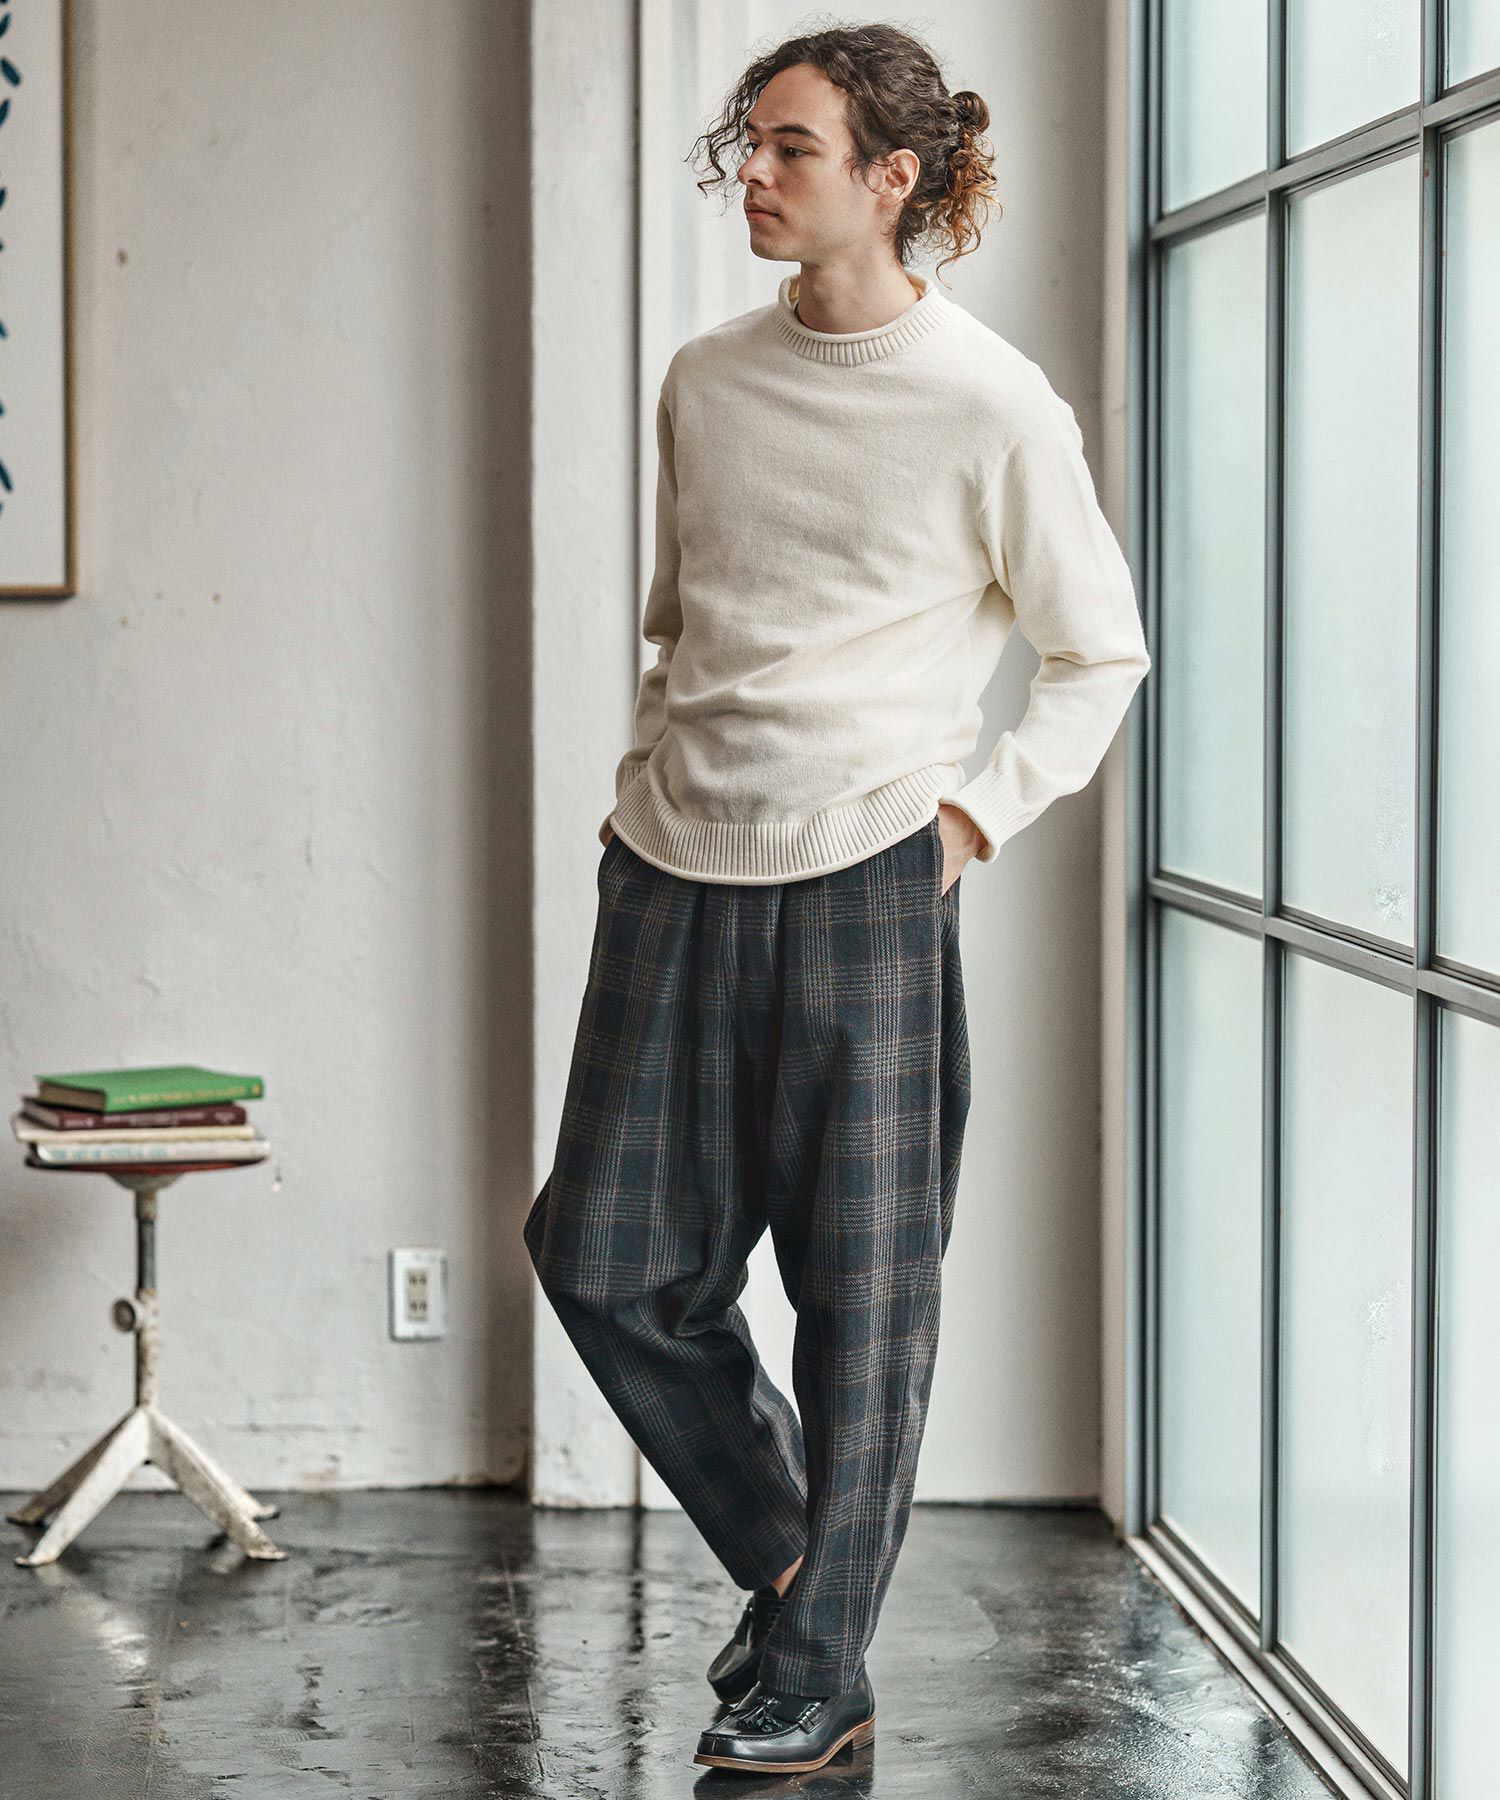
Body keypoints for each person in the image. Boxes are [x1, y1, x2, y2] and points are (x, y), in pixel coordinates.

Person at [523, 19, 1151, 1777]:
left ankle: (817, 1668)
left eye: (792, 147)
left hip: (868, 875)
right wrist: (639, 795)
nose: (755, 173)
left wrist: (971, 817)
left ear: (893, 177)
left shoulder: (990, 400)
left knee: (863, 1299)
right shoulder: (705, 379)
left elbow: (1100, 653)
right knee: (600, 1254)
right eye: (751, 143)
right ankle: (807, 1575)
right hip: (670, 868)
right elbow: (684, 621)